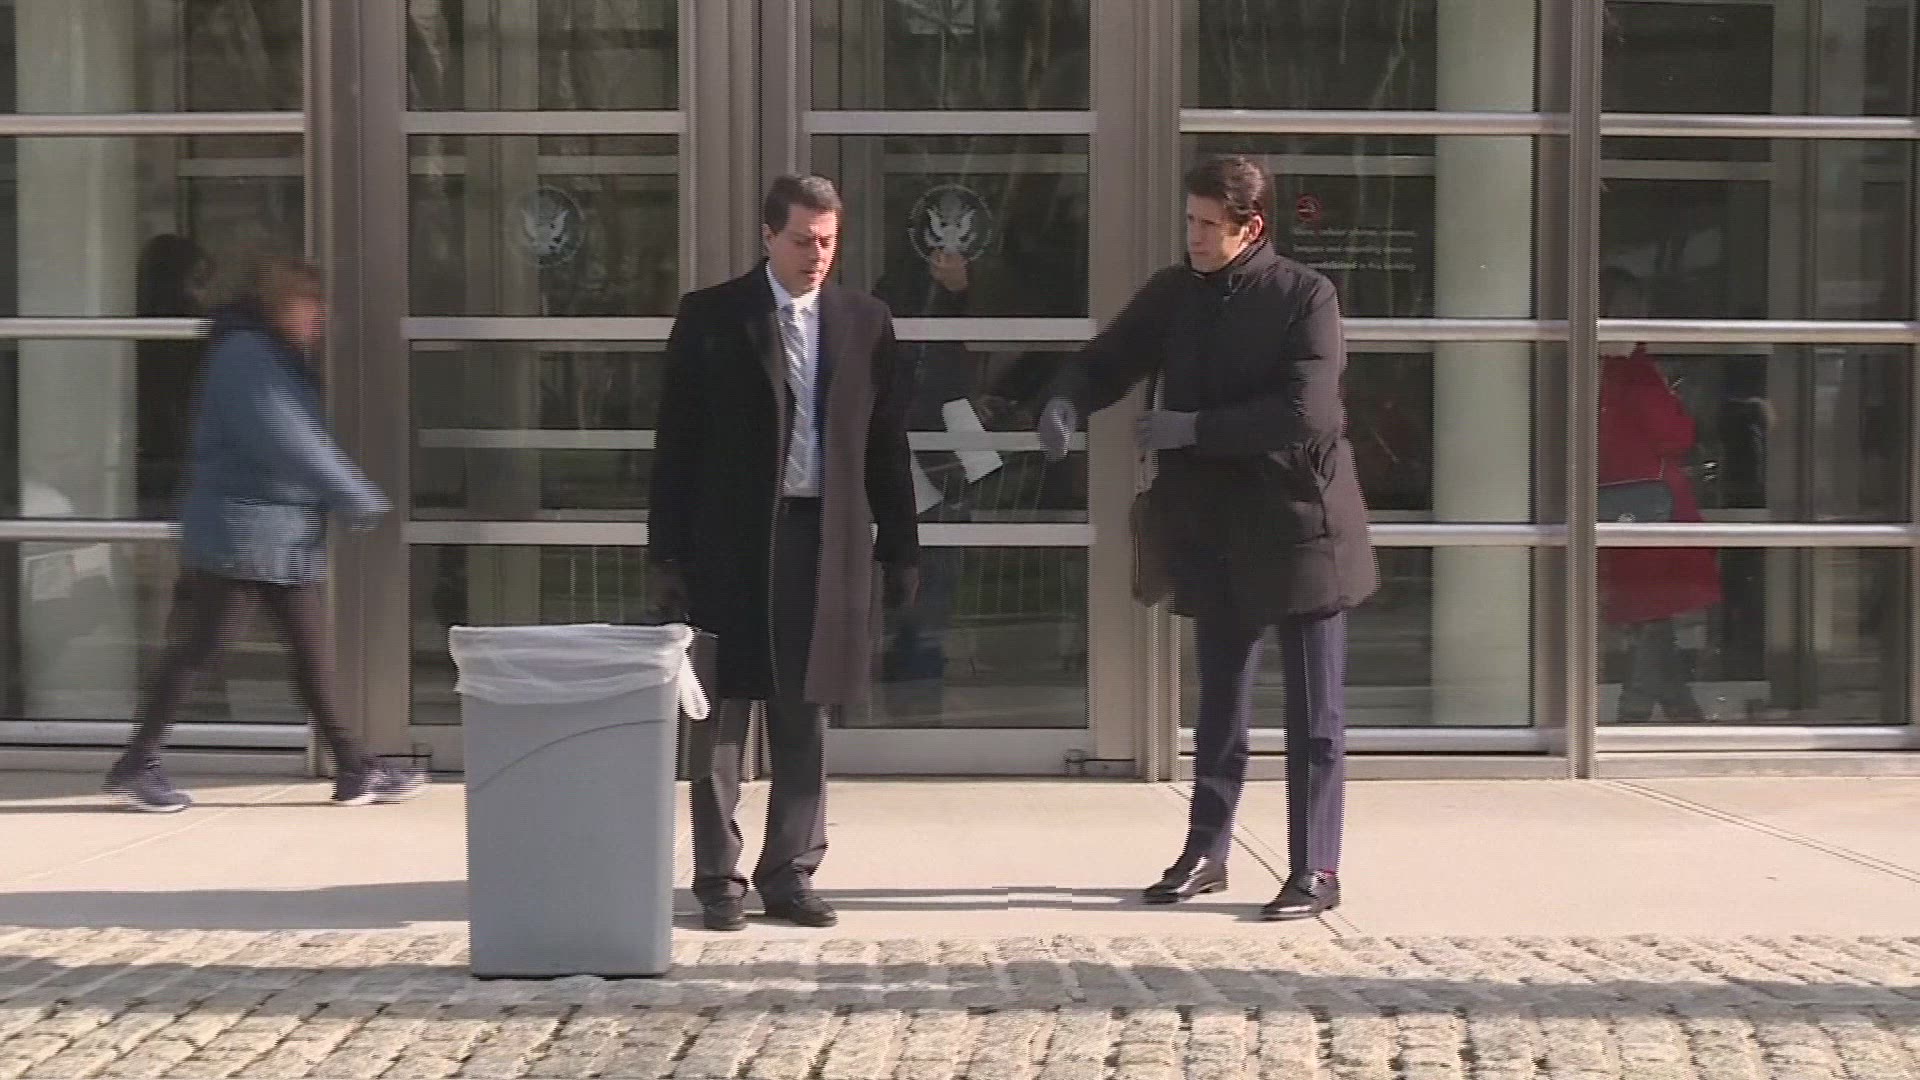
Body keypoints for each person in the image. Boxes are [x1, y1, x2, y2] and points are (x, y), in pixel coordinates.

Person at [1037, 156, 1377, 921]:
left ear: (1250, 228)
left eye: (1208, 225)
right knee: (1220, 705)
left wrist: (1194, 429)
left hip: (1303, 526)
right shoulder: (1175, 293)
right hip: (1216, 527)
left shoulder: (1306, 296)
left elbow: (1307, 413)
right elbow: (1109, 359)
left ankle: (1316, 868)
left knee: (1315, 717)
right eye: (1189, 220)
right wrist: (1065, 402)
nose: (1193, 236)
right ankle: (1205, 851)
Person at [649, 175, 921, 931]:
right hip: (729, 543)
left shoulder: (865, 321)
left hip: (824, 539)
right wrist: (665, 555)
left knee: (806, 709)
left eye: (827, 241)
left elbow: (885, 444)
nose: (816, 255)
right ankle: (718, 877)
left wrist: (901, 545)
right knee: (720, 716)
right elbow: (675, 445)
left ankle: (791, 872)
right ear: (768, 236)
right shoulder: (713, 316)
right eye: (802, 240)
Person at [104, 256, 422, 813]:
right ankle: (136, 764)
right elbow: (283, 436)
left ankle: (355, 769)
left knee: (307, 653)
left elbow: (291, 437)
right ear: (279, 304)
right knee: (203, 650)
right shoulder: (247, 356)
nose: (318, 317)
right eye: (309, 305)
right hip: (241, 535)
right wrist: (352, 493)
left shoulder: (266, 355)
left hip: (274, 536)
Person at [1598, 267, 1721, 721]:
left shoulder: (1577, 364)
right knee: (1651, 607)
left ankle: (1680, 706)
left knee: (1649, 608)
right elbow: (1674, 434)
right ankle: (1635, 708)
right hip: (1644, 493)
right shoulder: (1633, 369)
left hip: (1605, 490)